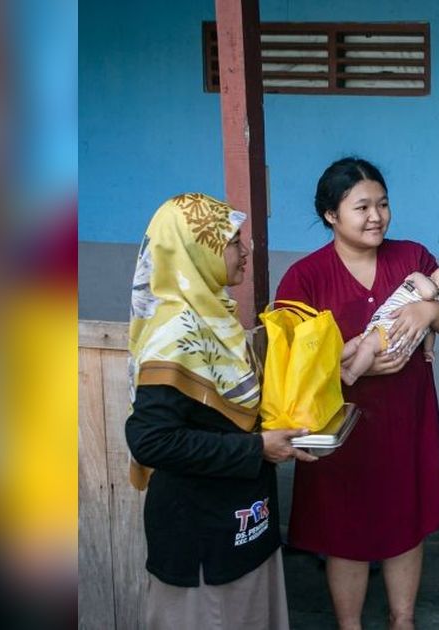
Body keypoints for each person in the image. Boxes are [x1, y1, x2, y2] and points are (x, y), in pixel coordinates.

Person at [275, 157, 439, 630]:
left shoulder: (412, 258)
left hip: (407, 417)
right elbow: (289, 364)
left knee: (407, 525)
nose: (376, 216)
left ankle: (403, 620)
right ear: (330, 215)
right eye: (361, 207)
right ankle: (350, 624)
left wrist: (427, 314)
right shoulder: (305, 277)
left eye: (382, 204)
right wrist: (349, 369)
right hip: (342, 427)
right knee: (346, 533)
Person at [124, 193, 317, 630]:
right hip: (200, 539)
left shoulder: (216, 319)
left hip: (243, 522)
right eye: (231, 241)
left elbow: (231, 413)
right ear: (195, 250)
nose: (244, 251)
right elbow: (151, 439)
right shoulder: (174, 334)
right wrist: (256, 448)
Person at [339, 266, 439, 387]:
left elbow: (429, 293)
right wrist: (428, 350)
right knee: (357, 344)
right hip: (381, 329)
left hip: (390, 333)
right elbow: (430, 332)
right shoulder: (438, 300)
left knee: (366, 345)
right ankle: (332, 362)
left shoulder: (431, 288)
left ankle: (351, 375)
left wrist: (417, 275)